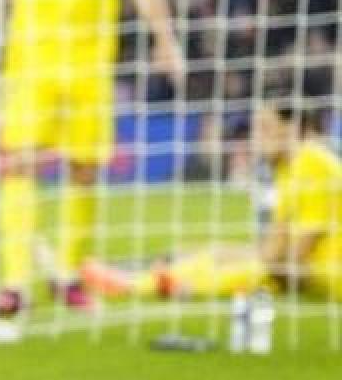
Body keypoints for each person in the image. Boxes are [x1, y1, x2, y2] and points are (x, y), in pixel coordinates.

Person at [0, 0, 185, 319]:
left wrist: (164, 37)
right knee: (20, 165)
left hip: (89, 70)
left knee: (83, 170)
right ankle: (14, 283)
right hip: (29, 68)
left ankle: (68, 276)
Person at [83, 98, 341, 301]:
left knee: (255, 272)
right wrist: (216, 252)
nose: (257, 138)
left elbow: (294, 260)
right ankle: (153, 277)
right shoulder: (289, 168)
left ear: (293, 128)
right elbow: (274, 247)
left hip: (331, 276)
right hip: (316, 272)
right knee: (222, 254)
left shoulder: (312, 162)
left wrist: (235, 264)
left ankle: (141, 284)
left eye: (265, 128)